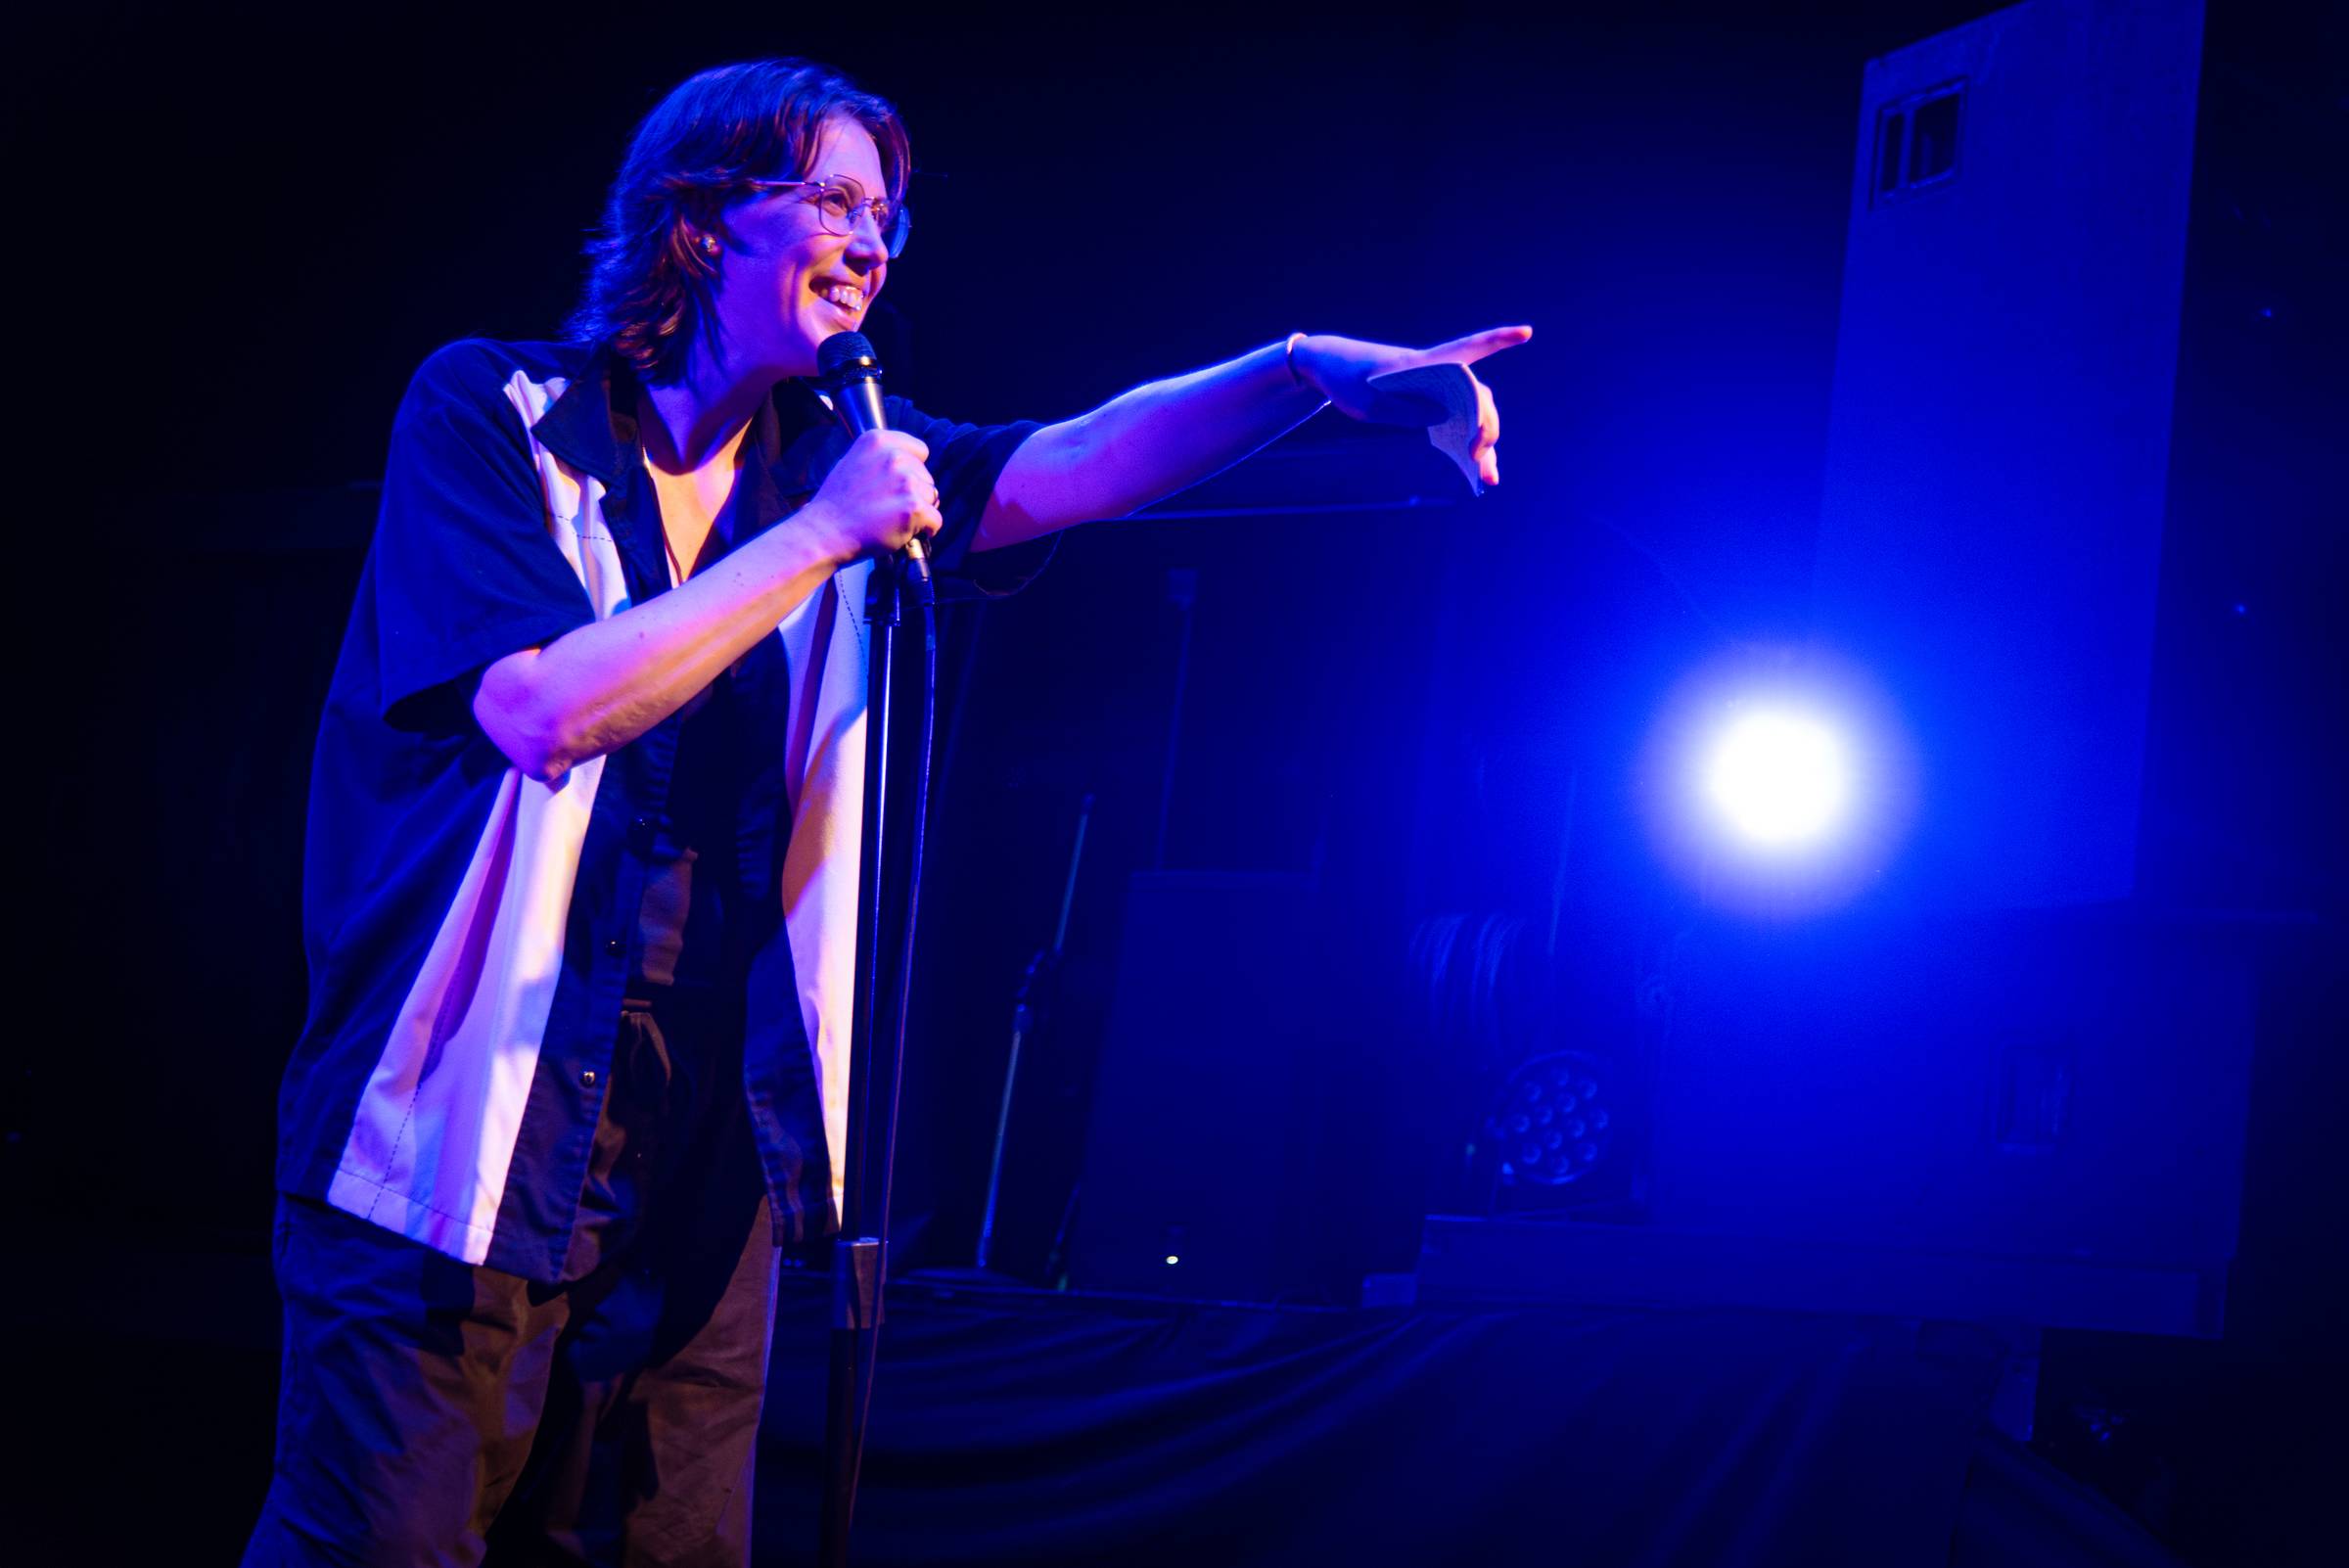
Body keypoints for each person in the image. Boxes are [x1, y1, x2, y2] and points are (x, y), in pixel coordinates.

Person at [246, 55, 1528, 1568]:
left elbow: (1072, 460)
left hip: (705, 1156)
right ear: (702, 219)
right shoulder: (499, 412)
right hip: (450, 1133)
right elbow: (542, 710)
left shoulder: (829, 463)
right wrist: (818, 535)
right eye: (834, 203)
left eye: (886, 218)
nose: (869, 244)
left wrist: (1306, 367)